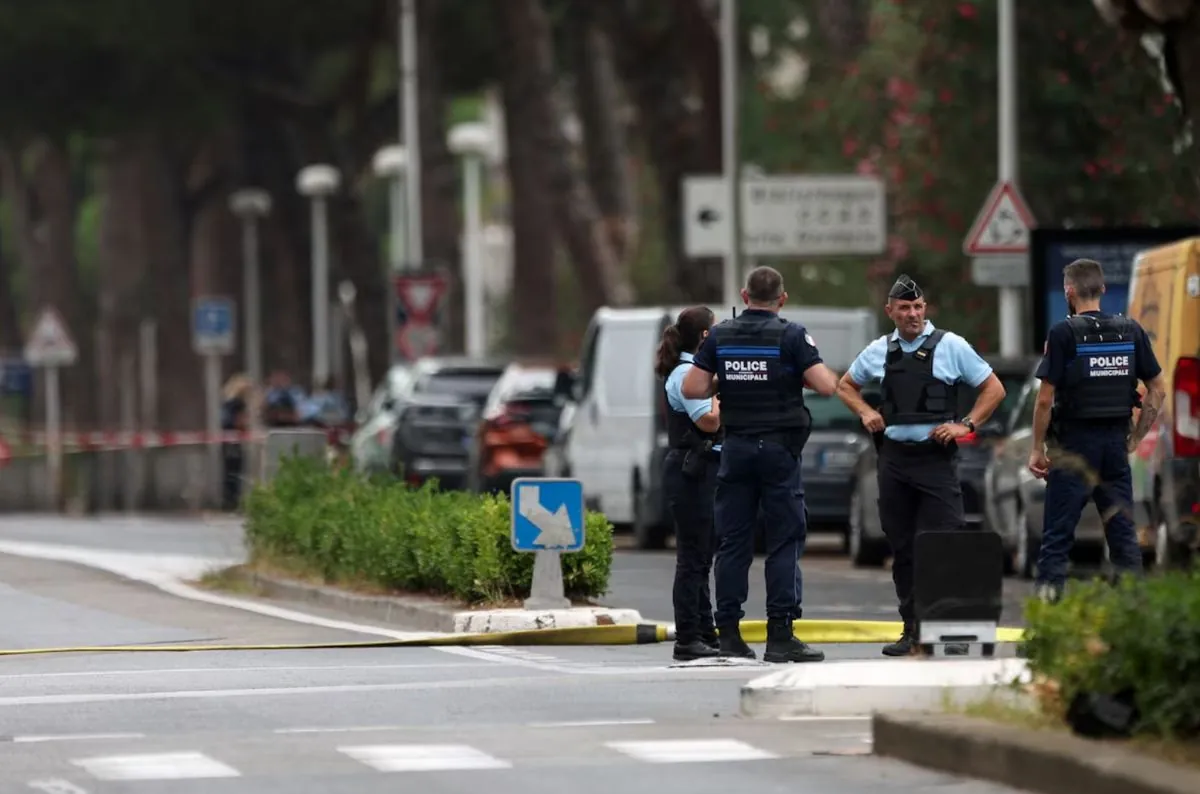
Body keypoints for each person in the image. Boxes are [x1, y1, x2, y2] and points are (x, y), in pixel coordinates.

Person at [836, 274, 1006, 657]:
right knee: (903, 547)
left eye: (917, 307)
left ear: (925, 308)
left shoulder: (951, 346)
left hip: (935, 459)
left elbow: (993, 389)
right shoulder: (879, 349)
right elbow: (845, 385)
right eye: (905, 308)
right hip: (894, 460)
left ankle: (950, 630)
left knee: (945, 542)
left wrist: (966, 424)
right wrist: (865, 411)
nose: (912, 314)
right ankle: (912, 630)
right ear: (890, 311)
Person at [681, 266, 840, 663]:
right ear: (782, 299)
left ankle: (730, 633)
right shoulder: (791, 335)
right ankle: (780, 635)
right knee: (784, 540)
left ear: (744, 294)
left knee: (734, 541)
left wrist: (728, 380)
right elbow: (826, 385)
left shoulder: (720, 335)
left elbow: (693, 388)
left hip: (735, 448)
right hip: (779, 452)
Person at [1027, 258, 1165, 603]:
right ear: (1102, 289)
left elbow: (1045, 401)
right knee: (1122, 536)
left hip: (1073, 448)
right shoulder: (1131, 331)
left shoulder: (1063, 334)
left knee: (1057, 539)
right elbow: (1158, 389)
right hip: (1115, 447)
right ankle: (1133, 617)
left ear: (1068, 291)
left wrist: (1036, 449)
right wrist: (1135, 436)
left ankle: (1048, 618)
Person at [655, 306, 723, 661]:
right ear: (705, 337)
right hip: (690, 471)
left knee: (702, 555)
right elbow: (709, 421)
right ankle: (688, 636)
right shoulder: (685, 373)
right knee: (693, 558)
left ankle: (704, 631)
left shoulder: (692, 371)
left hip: (698, 470)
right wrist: (720, 392)